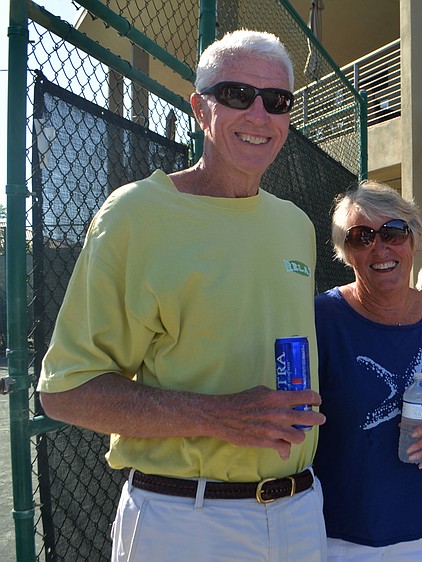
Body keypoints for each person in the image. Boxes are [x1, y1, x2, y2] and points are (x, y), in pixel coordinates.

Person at [36, 30, 327, 562]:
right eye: (238, 95)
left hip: (301, 511)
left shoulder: (295, 224)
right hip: (186, 522)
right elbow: (66, 391)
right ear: (199, 108)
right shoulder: (133, 215)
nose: (260, 115)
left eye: (277, 101)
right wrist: (221, 417)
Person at [313, 180, 422, 561]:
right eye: (361, 237)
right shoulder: (321, 318)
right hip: (338, 531)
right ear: (346, 252)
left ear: (413, 241)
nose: (381, 247)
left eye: (393, 232)